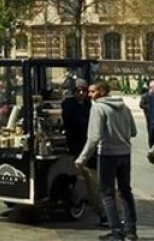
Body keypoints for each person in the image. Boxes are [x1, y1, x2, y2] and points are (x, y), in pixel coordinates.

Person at [75, 80, 138, 241]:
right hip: (125, 154)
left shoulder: (98, 108)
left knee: (107, 193)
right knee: (125, 192)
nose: (89, 95)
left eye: (92, 91)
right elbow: (133, 131)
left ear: (102, 91)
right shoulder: (124, 107)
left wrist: (82, 158)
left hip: (107, 155)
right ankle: (131, 230)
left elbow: (94, 137)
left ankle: (116, 232)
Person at [61, 79, 106, 226]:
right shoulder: (68, 104)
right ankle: (102, 212)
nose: (81, 93)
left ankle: (101, 207)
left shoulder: (89, 105)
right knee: (91, 180)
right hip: (77, 145)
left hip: (90, 146)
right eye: (78, 91)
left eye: (84, 91)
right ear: (73, 92)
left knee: (94, 180)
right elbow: (75, 122)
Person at [138, 79, 154, 149]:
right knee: (151, 133)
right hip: (150, 117)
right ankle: (152, 147)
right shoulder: (145, 95)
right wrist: (150, 107)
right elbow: (141, 105)